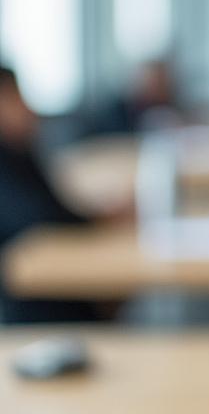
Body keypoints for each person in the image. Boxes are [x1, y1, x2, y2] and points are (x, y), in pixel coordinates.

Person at [0, 65, 131, 322]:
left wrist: (98, 217)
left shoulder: (21, 152)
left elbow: (55, 207)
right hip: (33, 301)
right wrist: (97, 220)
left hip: (54, 286)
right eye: (14, 99)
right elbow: (37, 218)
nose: (27, 109)